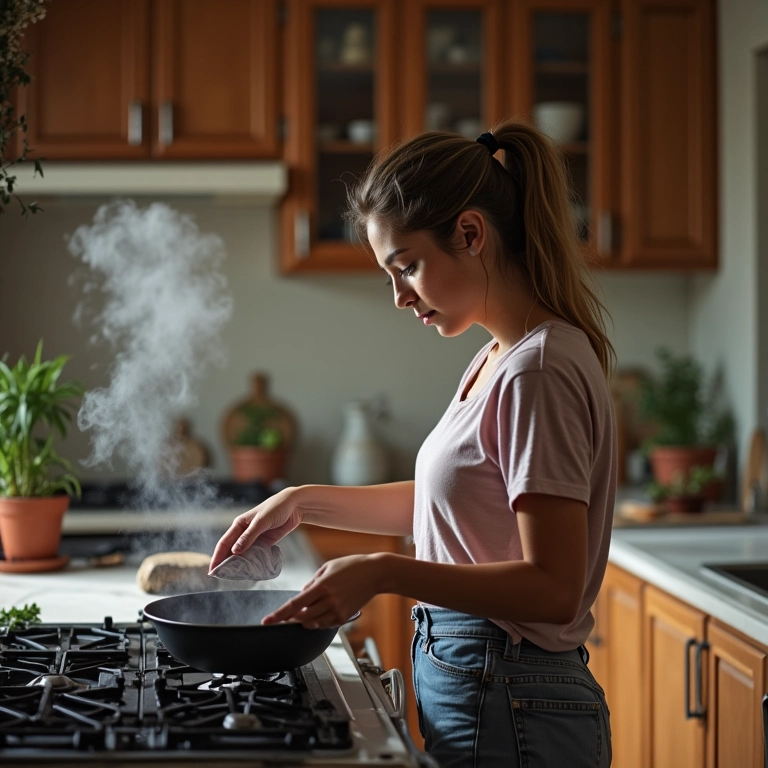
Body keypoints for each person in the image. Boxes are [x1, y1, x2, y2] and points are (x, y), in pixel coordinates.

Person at [210, 118, 616, 768]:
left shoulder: (536, 370)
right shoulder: (497, 358)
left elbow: (554, 587)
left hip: (514, 694)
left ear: (471, 234)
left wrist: (384, 572)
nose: (399, 297)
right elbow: (448, 507)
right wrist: (303, 500)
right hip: (487, 683)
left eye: (408, 267)